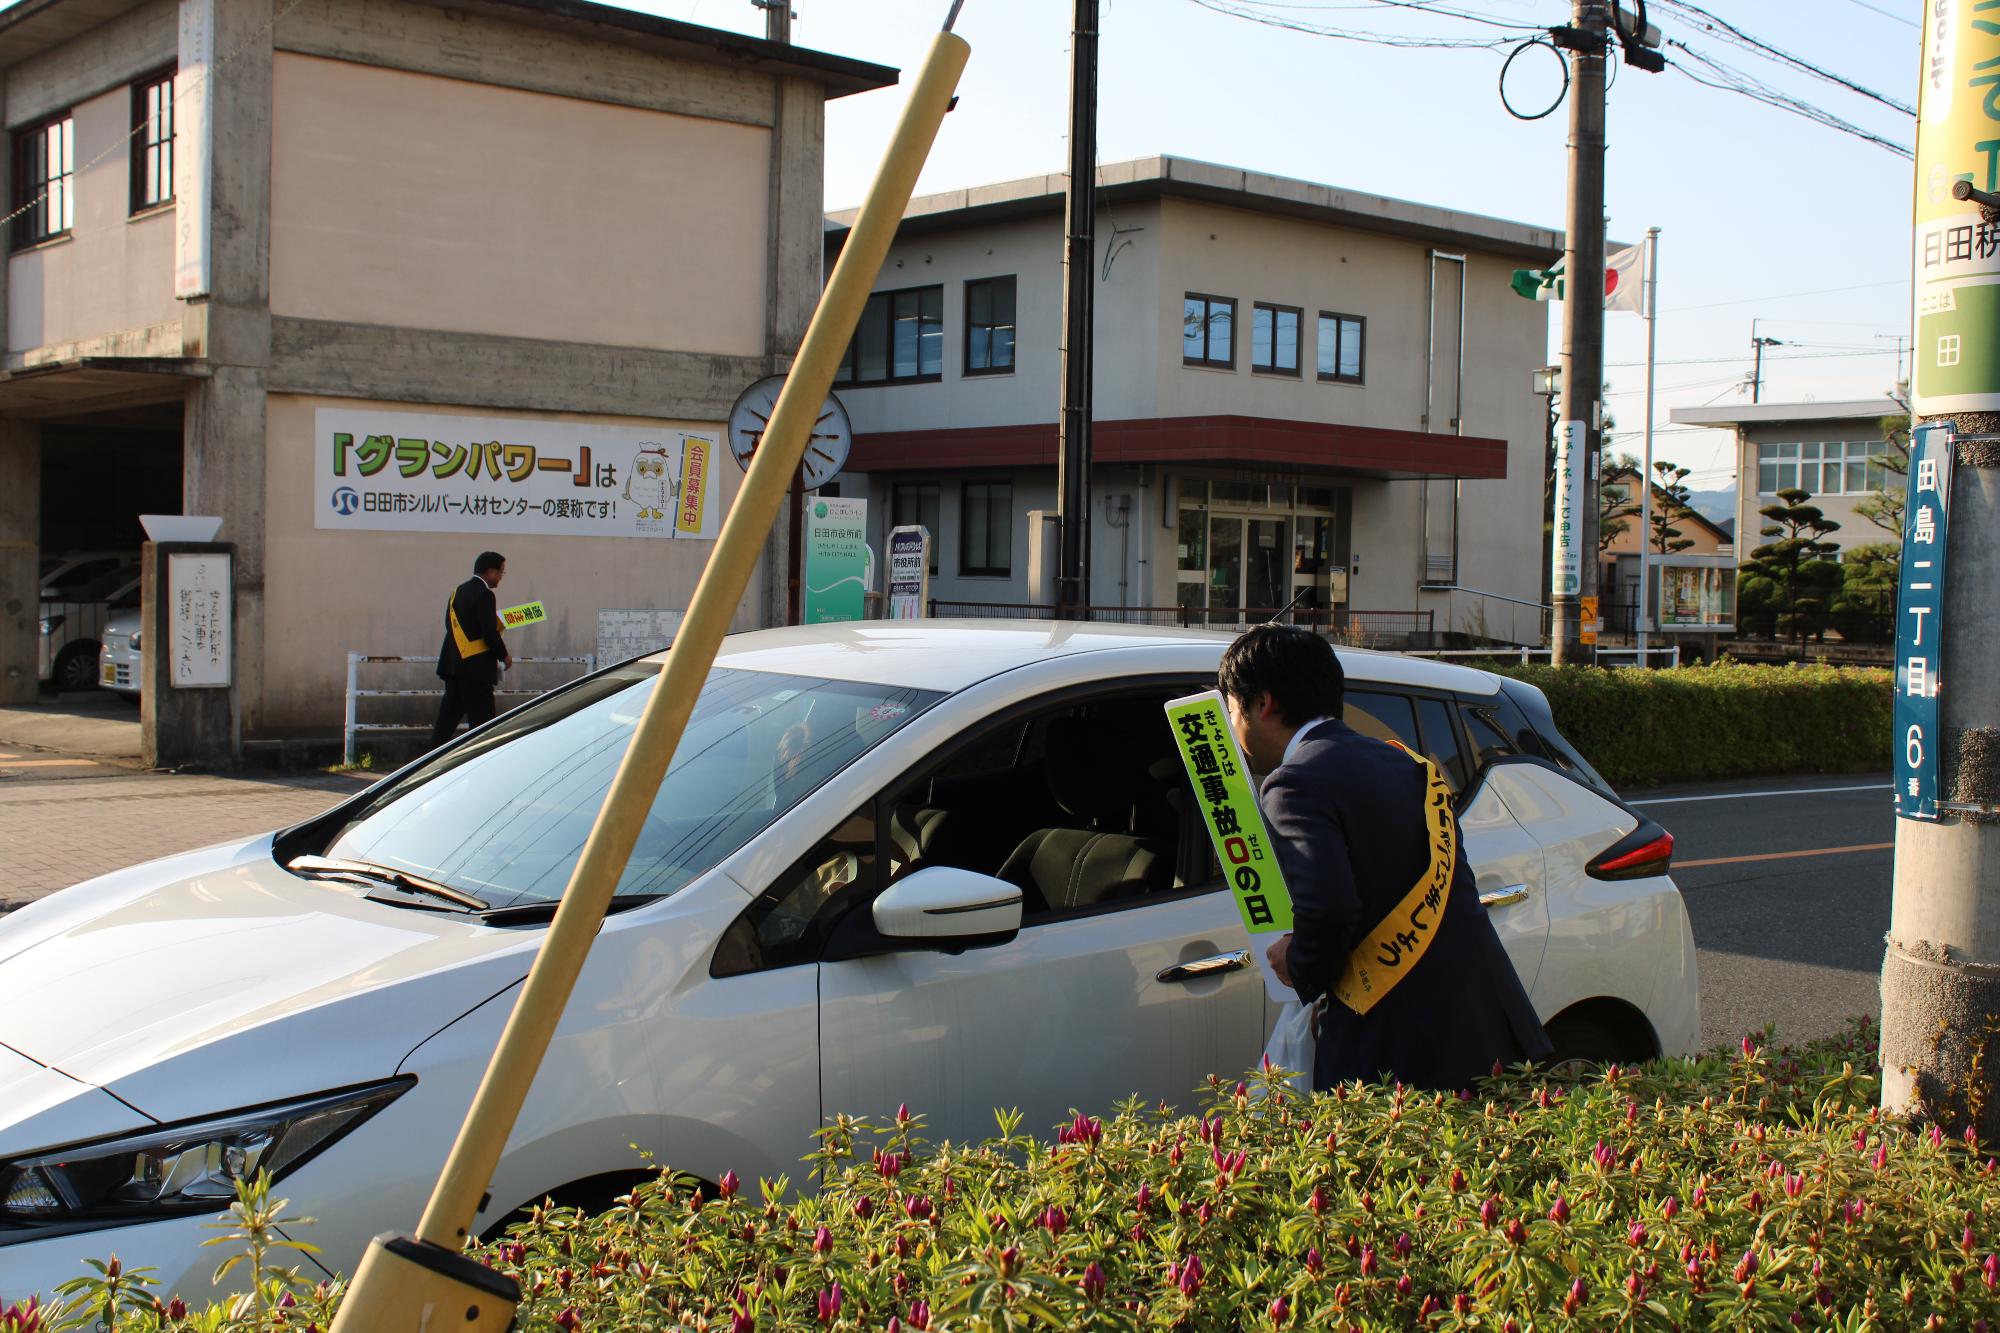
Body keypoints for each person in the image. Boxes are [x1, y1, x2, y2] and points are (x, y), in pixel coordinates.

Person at [1218, 623, 1550, 1091]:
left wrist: (1299, 963)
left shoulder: (1292, 783)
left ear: (1262, 703)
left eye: (1232, 711)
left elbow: (1330, 908)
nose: (1235, 728)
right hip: (1484, 1024)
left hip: (1396, 1048)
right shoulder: (1404, 762)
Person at [430, 551, 512, 747]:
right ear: (490, 572)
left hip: (453, 667)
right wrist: (504, 655)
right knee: (482, 725)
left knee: (446, 722)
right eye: (501, 572)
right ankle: (481, 761)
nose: (501, 576)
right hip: (476, 671)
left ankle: (427, 760)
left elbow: (450, 626)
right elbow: (488, 632)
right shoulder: (485, 594)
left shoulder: (457, 592)